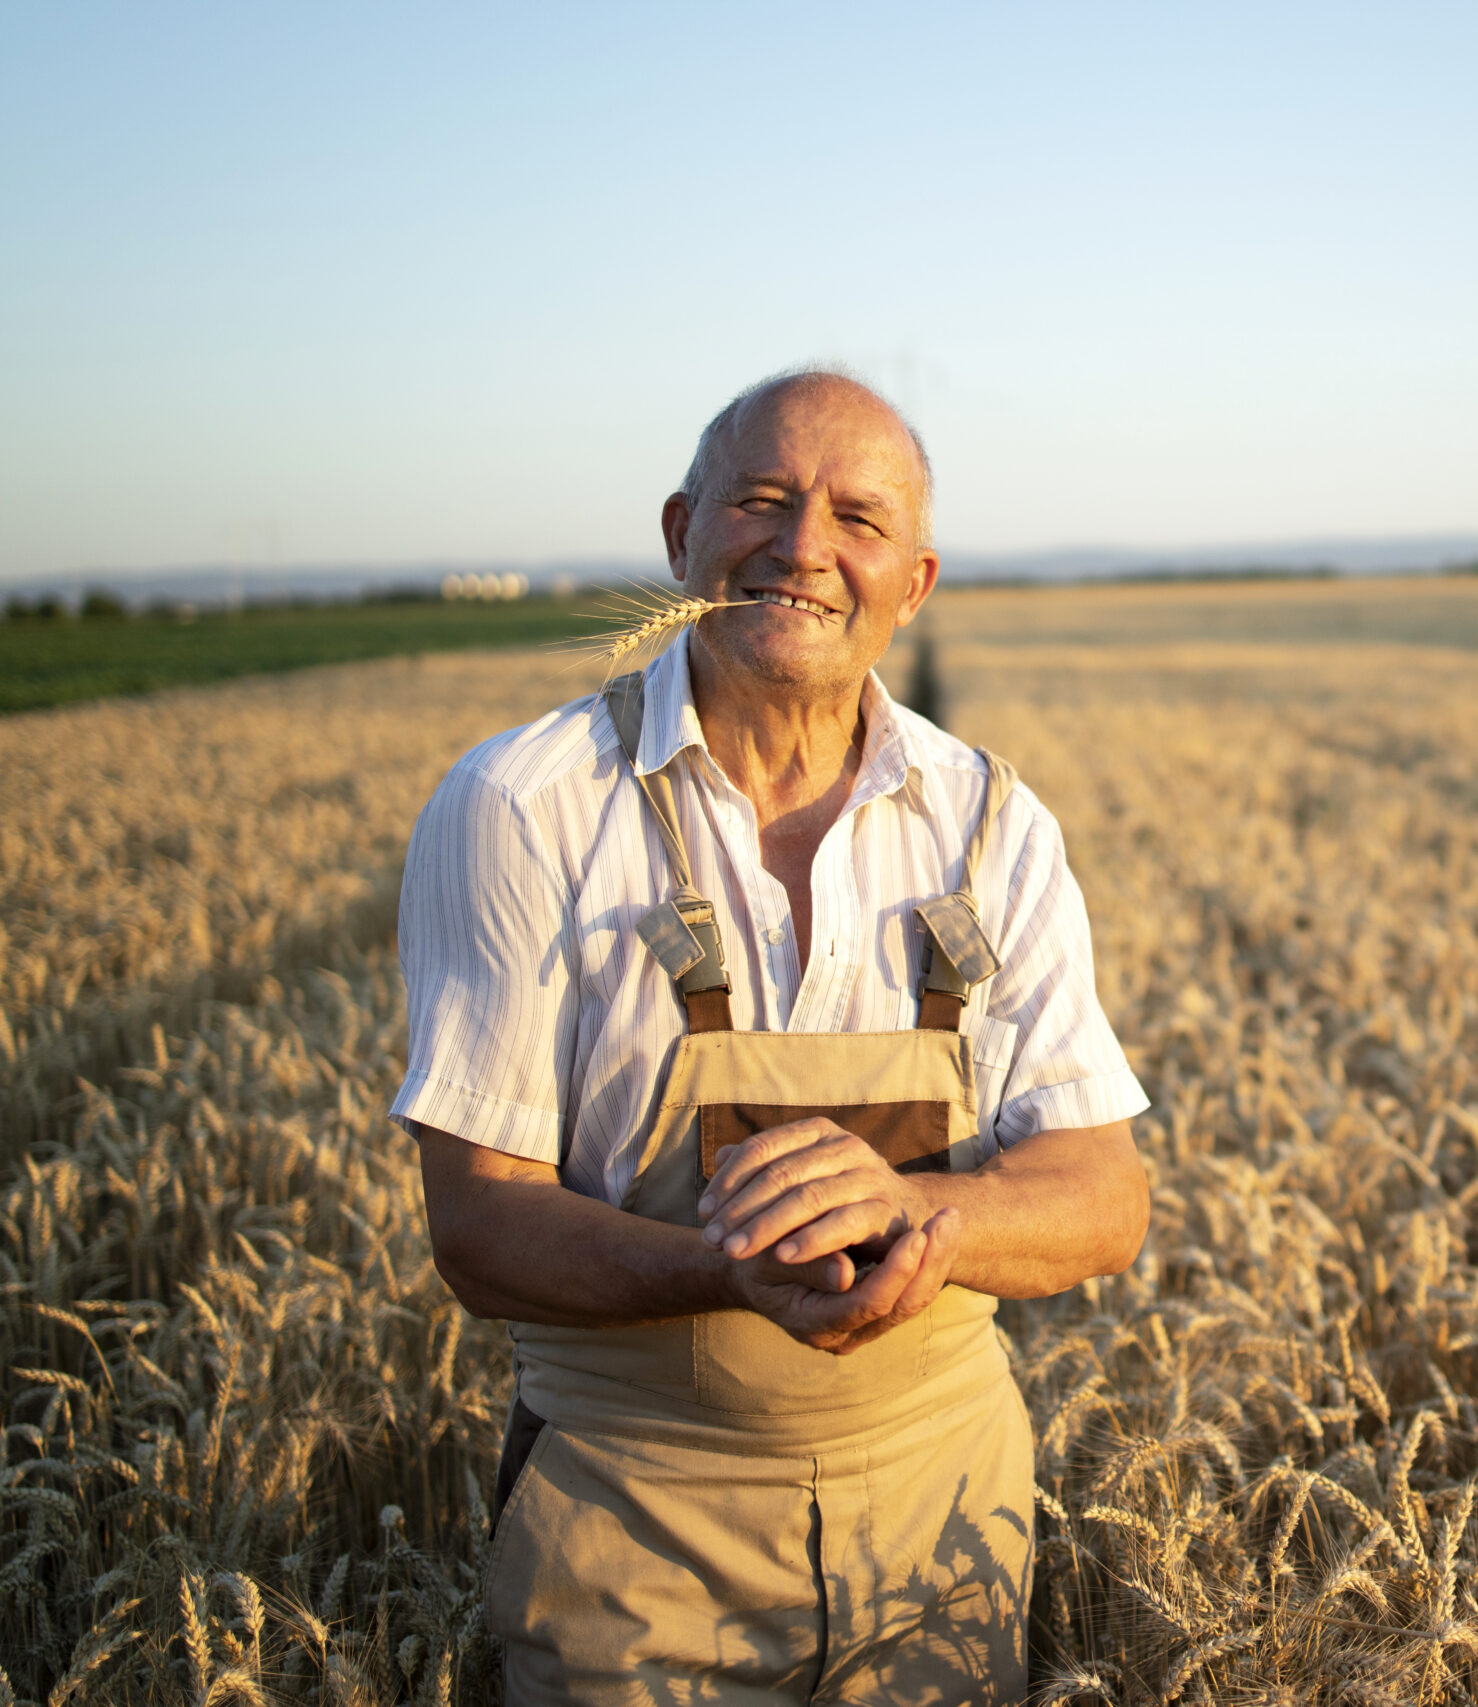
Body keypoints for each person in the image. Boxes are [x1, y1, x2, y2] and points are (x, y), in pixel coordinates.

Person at [392, 369, 1151, 1704]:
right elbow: (478, 1226)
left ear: (913, 585)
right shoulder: (522, 807)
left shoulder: (995, 827)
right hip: (627, 1531)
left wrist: (929, 1221)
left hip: (944, 1530)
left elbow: (1105, 1201)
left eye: (857, 519)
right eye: (762, 500)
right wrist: (729, 1269)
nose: (803, 547)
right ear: (682, 531)